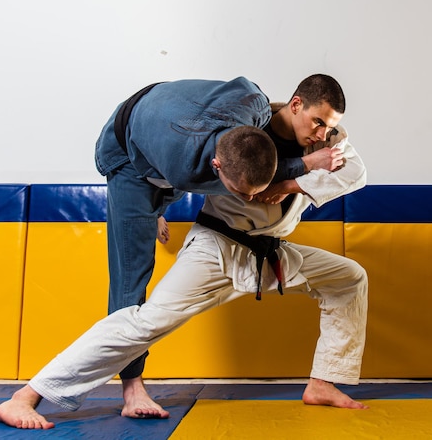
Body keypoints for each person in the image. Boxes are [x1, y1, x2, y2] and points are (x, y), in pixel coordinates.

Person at [0, 74, 370, 430]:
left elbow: (356, 172)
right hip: (217, 250)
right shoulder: (245, 135)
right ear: (296, 104)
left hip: (269, 254)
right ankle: (28, 395)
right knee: (143, 323)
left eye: (329, 126)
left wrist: (290, 184)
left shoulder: (327, 140)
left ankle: (323, 383)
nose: (322, 133)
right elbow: (187, 170)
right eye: (317, 122)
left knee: (349, 278)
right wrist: (300, 169)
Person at [93, 76, 342, 417]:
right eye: (241, 195)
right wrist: (305, 165)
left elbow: (250, 165)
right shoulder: (186, 171)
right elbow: (192, 175)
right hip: (129, 155)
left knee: (194, 160)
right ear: (216, 167)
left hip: (171, 110)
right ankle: (132, 389)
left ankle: (158, 204)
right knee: (130, 281)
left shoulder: (255, 101)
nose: (250, 200)